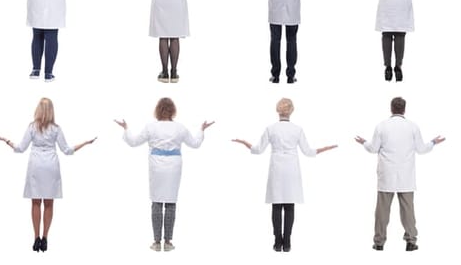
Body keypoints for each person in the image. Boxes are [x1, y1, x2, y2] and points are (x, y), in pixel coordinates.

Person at [229, 98, 338, 252]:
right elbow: (308, 152)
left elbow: (257, 150)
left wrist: (244, 142)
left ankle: (277, 242)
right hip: (292, 168)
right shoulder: (297, 129)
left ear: (277, 110)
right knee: (289, 205)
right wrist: (324, 148)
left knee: (276, 205)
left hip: (277, 168)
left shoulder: (270, 128)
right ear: (292, 110)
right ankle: (287, 243)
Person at [0, 98, 95, 252]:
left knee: (35, 203)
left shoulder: (32, 127)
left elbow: (20, 148)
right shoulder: (56, 129)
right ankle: (45, 238)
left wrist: (6, 140)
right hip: (51, 166)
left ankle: (36, 239)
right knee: (49, 203)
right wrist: (85, 143)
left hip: (36, 166)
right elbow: (67, 150)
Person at [114, 97, 212, 252]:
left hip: (156, 167)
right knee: (171, 202)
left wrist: (126, 128)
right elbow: (195, 144)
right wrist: (202, 129)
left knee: (157, 201)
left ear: (157, 110)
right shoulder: (180, 128)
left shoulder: (150, 127)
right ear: (173, 110)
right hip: (174, 166)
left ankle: (156, 241)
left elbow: (133, 142)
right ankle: (167, 242)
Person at [353, 97, 445, 251]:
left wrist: (364, 142)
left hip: (386, 175)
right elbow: (421, 149)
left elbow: (373, 149)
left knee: (382, 211)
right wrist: (433, 143)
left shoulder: (381, 126)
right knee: (408, 210)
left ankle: (379, 243)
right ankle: (411, 241)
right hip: (406, 175)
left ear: (391, 108)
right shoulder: (412, 127)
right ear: (404, 109)